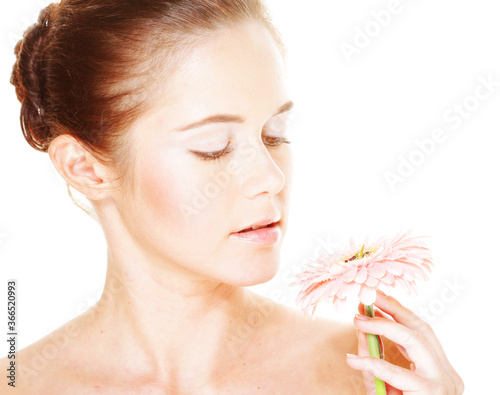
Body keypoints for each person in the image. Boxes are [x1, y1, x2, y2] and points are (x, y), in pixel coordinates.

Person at [3, 0, 463, 393]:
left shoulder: (372, 371)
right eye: (213, 147)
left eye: (274, 134)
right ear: (85, 168)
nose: (270, 178)